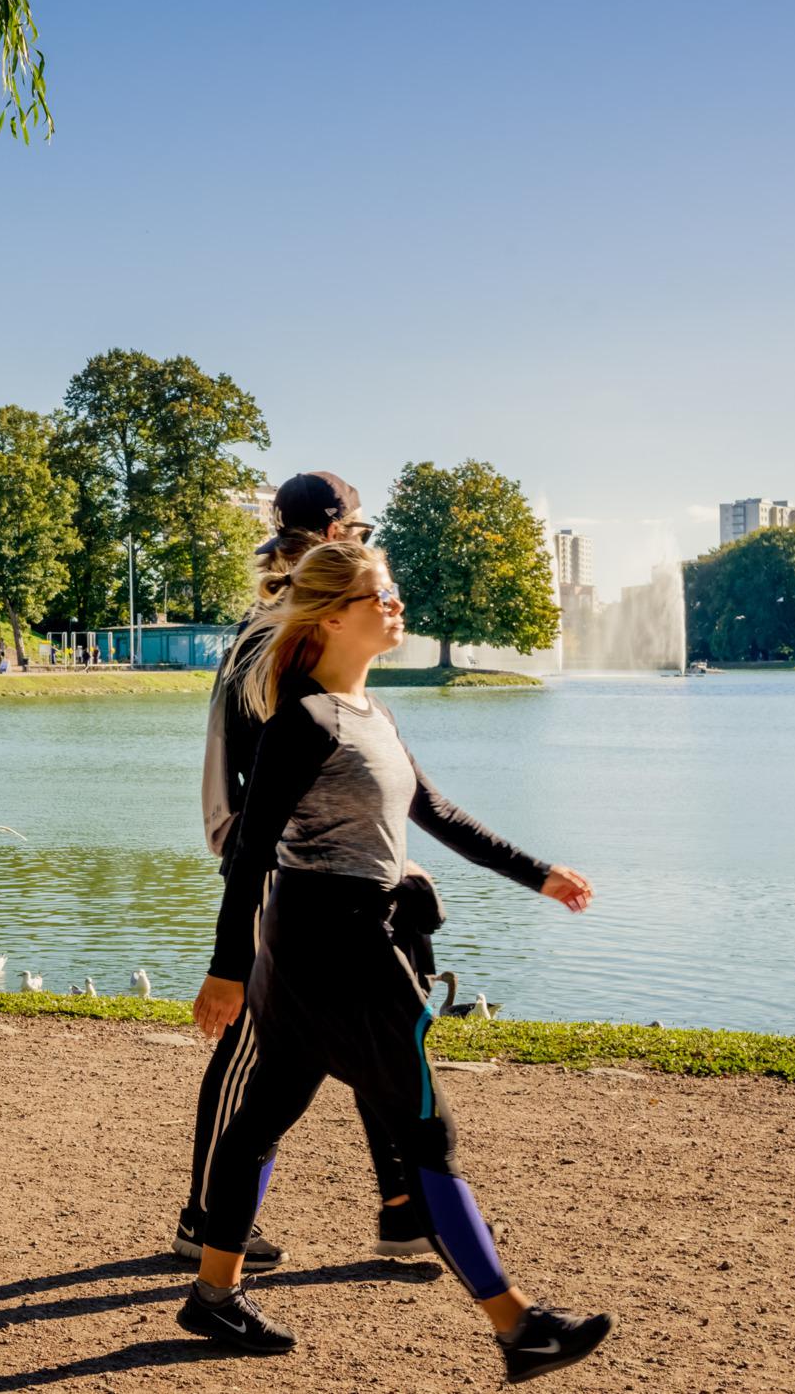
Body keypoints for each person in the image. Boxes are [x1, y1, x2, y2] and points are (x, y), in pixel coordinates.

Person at [180, 541, 612, 1383]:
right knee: (427, 1129)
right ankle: (518, 1325)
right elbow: (251, 854)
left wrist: (539, 874)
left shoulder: (367, 712)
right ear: (334, 615)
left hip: (318, 946)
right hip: (338, 947)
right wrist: (226, 968)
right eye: (383, 595)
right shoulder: (300, 722)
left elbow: (437, 811)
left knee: (264, 1115)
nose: (397, 604)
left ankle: (213, 1294)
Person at [179, 471, 418, 1273]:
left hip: (316, 869)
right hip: (282, 867)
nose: (362, 543)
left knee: (373, 1026)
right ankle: (205, 1221)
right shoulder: (276, 636)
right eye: (355, 530)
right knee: (253, 1044)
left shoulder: (300, 628)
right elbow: (268, 782)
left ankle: (401, 1208)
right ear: (335, 534)